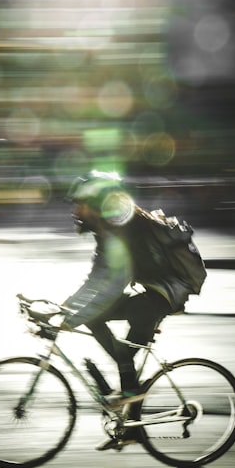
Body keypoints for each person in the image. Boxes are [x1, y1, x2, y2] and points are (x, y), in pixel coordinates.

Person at [57, 170, 193, 450]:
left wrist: (76, 318)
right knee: (108, 337)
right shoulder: (108, 230)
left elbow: (113, 286)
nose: (75, 210)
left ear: (94, 203)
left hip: (162, 295)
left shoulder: (122, 229)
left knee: (115, 345)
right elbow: (96, 277)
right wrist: (67, 305)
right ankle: (131, 425)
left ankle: (128, 389)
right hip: (152, 292)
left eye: (79, 204)